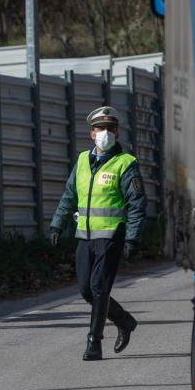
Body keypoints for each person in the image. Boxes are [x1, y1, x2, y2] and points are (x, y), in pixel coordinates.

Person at [50, 106, 146, 360]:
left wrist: (132, 237)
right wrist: (57, 223)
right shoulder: (82, 160)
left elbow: (136, 204)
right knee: (85, 290)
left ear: (117, 132)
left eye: (110, 129)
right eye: (100, 128)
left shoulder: (126, 164)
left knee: (99, 287)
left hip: (111, 236)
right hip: (84, 236)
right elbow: (69, 195)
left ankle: (94, 341)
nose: (105, 133)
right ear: (92, 133)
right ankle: (124, 321)